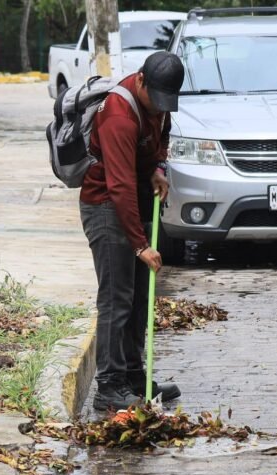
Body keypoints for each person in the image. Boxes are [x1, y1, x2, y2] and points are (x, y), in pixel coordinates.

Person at [79, 52, 186, 411]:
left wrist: (158, 166)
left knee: (140, 297)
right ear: (140, 80)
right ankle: (108, 387)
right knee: (117, 297)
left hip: (134, 201)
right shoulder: (118, 117)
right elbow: (120, 185)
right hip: (106, 205)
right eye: (155, 100)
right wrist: (140, 246)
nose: (159, 109)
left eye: (165, 103)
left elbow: (160, 140)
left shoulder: (159, 104)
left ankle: (134, 378)